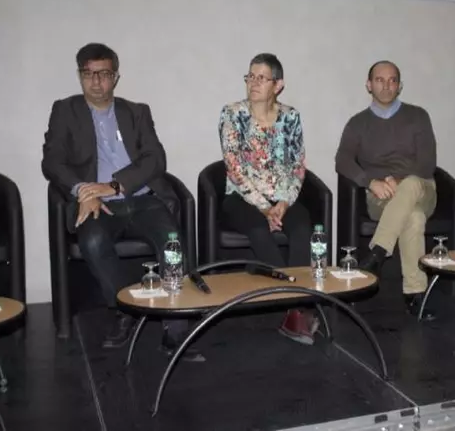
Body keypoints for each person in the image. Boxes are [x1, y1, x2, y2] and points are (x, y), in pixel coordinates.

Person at [42, 43, 204, 362]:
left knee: (173, 245)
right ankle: (125, 309)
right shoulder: (65, 110)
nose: (96, 81)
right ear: (80, 76)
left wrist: (113, 185)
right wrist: (83, 191)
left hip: (141, 198)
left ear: (116, 77)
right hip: (98, 206)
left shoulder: (136, 111)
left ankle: (175, 332)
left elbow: (155, 160)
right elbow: (52, 161)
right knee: (92, 240)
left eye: (103, 74)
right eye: (88, 74)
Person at [219, 53, 315, 344]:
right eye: (250, 76)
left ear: (278, 84)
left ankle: (294, 309)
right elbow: (234, 169)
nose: (253, 83)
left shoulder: (291, 116)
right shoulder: (232, 113)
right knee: (260, 231)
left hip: (282, 197)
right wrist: (264, 207)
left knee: (302, 228)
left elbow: (297, 165)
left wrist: (283, 202)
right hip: (242, 198)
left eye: (261, 77)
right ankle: (298, 306)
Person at [335, 60, 438, 320]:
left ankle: (377, 253)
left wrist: (401, 180)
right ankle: (415, 294)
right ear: (369, 85)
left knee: (413, 184)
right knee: (413, 218)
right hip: (382, 196)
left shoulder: (418, 116)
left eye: (392, 80)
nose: (387, 85)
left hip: (422, 188)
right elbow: (342, 160)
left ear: (400, 85)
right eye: (380, 80)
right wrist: (370, 181)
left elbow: (427, 163)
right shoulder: (358, 123)